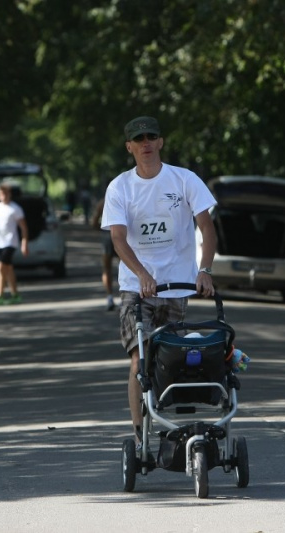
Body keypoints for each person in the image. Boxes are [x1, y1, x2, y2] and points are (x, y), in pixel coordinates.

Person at [100, 116, 218, 447]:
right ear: (130, 147)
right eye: (139, 139)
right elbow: (118, 238)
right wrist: (142, 274)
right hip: (136, 289)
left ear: (161, 142)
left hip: (177, 287)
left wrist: (204, 269)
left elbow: (206, 227)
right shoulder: (120, 187)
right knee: (139, 358)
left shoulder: (184, 180)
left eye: (152, 137)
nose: (146, 143)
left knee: (170, 357)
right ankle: (140, 434)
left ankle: (164, 416)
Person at [91, 196, 118, 311]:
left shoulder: (102, 203)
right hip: (122, 235)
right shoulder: (123, 198)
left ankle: (110, 297)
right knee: (126, 267)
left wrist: (101, 229)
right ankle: (124, 297)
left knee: (107, 268)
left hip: (107, 235)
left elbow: (94, 222)